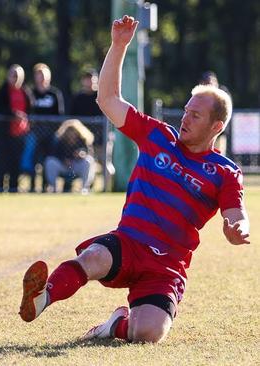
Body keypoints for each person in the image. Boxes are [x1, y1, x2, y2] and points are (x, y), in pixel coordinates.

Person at [19, 15, 250, 343]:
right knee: (94, 258)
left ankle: (114, 326)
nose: (185, 117)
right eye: (186, 110)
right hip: (128, 243)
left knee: (149, 333)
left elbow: (236, 213)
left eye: (195, 115)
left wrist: (238, 228)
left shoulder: (225, 172)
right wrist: (118, 46)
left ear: (216, 126)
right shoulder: (158, 135)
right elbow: (108, 100)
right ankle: (44, 297)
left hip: (166, 268)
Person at [0, 64, 32, 193]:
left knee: (16, 162)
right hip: (4, 133)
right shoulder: (3, 91)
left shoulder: (25, 91)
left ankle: (13, 187)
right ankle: (0, 186)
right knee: (2, 161)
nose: (15, 78)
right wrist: (14, 114)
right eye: (12, 75)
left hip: (20, 133)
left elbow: (30, 108)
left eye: (17, 76)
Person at [26, 63, 65, 192]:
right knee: (33, 159)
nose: (41, 78)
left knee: (48, 159)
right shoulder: (30, 93)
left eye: (44, 75)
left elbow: (59, 115)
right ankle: (32, 185)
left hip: (50, 133)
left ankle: (45, 186)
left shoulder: (54, 94)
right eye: (39, 75)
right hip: (34, 133)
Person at [44, 119, 95, 193]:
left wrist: (81, 155)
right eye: (69, 131)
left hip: (76, 166)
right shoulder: (60, 141)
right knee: (50, 161)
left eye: (74, 131)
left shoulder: (83, 140)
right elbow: (54, 154)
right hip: (63, 166)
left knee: (88, 161)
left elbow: (88, 153)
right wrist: (63, 160)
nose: (71, 134)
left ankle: (84, 188)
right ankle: (53, 188)